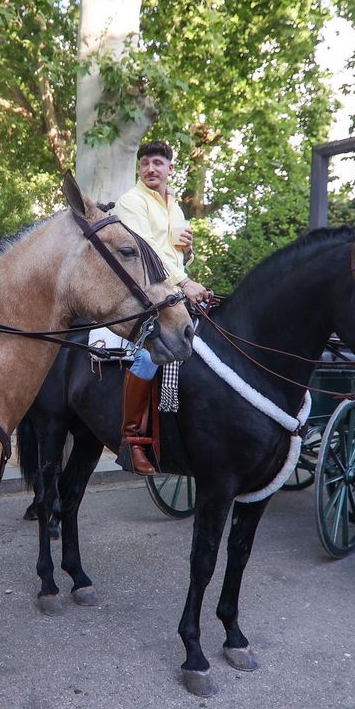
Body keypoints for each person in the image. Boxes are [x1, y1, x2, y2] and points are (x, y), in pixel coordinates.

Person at [109, 140, 210, 475]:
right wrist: (184, 282)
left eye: (157, 163)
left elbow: (173, 253)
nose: (150, 169)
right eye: (145, 164)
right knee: (147, 353)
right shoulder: (130, 202)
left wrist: (189, 254)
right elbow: (147, 252)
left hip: (171, 292)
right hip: (138, 292)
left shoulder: (175, 207)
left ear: (170, 169)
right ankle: (130, 442)